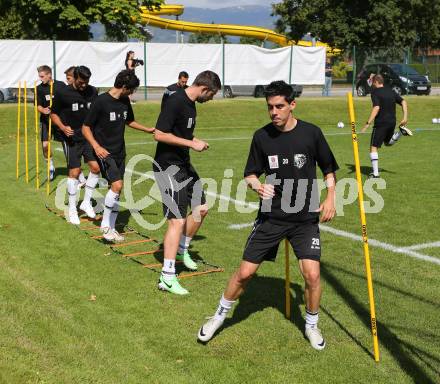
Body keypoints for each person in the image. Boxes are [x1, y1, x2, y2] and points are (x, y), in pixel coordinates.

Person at [197, 80, 339, 350]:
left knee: (311, 274)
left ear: (292, 105)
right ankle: (218, 316)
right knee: (245, 274)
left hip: (305, 218)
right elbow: (250, 173)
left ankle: (311, 326)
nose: (274, 112)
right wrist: (256, 185)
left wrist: (331, 197)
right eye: (270, 107)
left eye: (279, 106)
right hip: (271, 217)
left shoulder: (312, 133)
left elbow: (328, 169)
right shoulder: (261, 137)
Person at [153, 70, 221, 295]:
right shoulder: (175, 101)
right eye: (212, 95)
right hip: (168, 166)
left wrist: (194, 140)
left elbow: (181, 133)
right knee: (177, 221)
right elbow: (160, 134)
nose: (211, 99)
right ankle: (167, 276)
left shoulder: (192, 105)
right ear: (205, 89)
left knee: (201, 208)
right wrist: (191, 144)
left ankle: (182, 250)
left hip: (183, 165)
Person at [82, 70, 155, 241]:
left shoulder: (124, 101)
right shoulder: (100, 101)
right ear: (124, 86)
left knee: (114, 190)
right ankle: (106, 226)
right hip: (104, 152)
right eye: (132, 90)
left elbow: (129, 120)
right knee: (117, 185)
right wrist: (96, 146)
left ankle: (112, 227)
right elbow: (86, 127)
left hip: (120, 151)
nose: (132, 93)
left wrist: (147, 129)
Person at [51, 66, 100, 225]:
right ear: (74, 77)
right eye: (80, 82)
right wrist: (63, 127)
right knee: (75, 171)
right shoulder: (63, 93)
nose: (83, 85)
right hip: (71, 138)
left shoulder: (93, 91)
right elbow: (53, 113)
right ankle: (72, 209)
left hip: (88, 136)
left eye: (86, 82)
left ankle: (86, 202)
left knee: (95, 168)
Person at [361, 74, 411, 178]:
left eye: (372, 82)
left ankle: (375, 173)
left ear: (375, 82)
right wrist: (405, 117)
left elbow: (376, 108)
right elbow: (403, 101)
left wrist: (367, 124)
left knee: (373, 147)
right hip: (392, 122)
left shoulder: (374, 92)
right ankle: (400, 133)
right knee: (388, 143)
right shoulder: (391, 91)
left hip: (381, 123)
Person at [35, 65, 66, 180]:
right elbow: (38, 105)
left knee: (66, 144)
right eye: (39, 76)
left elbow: (67, 101)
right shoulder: (39, 88)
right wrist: (43, 110)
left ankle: (74, 169)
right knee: (45, 145)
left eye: (42, 76)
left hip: (59, 120)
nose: (40, 78)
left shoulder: (61, 85)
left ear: (49, 75)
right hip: (45, 120)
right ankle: (50, 166)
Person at [64, 65, 87, 188]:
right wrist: (63, 127)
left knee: (74, 163)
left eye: (68, 78)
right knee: (72, 163)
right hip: (67, 133)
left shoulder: (89, 92)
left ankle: (82, 180)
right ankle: (81, 179)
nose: (67, 81)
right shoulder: (64, 91)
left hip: (82, 135)